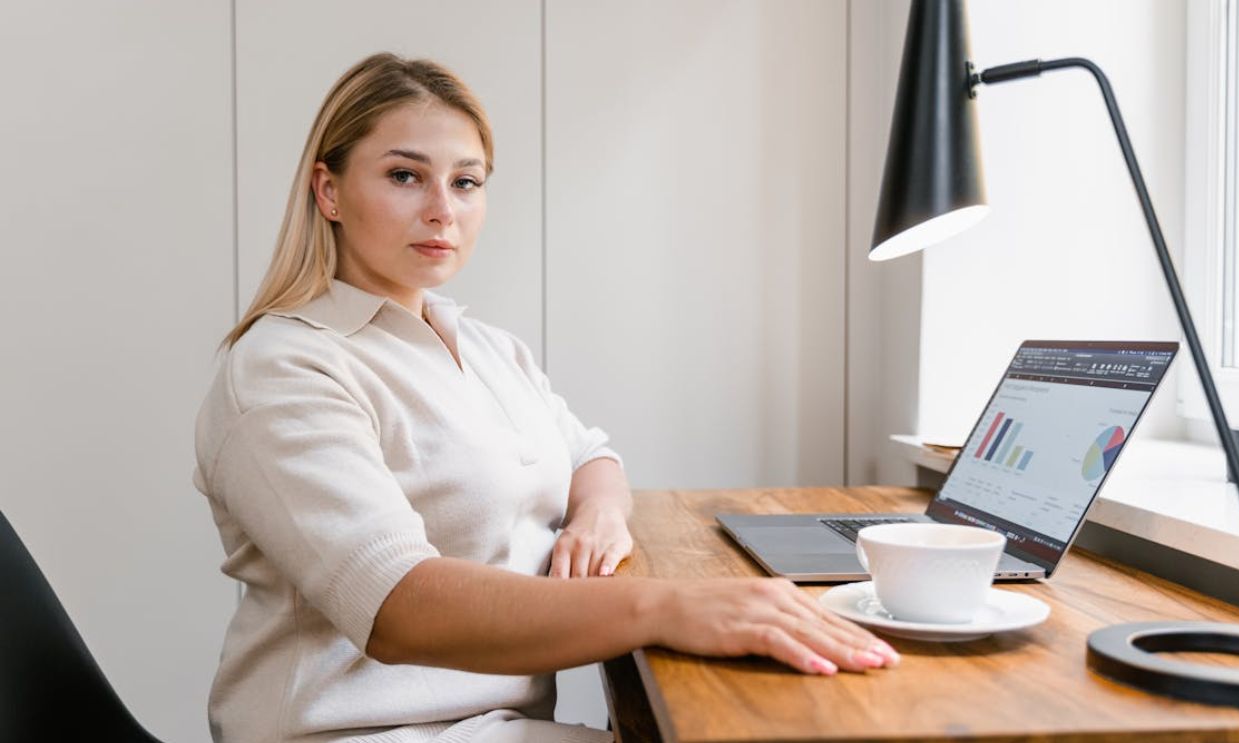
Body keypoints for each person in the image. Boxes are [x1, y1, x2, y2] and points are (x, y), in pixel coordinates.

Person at [193, 52, 899, 743]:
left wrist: (596, 514)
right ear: (329, 191)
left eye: (466, 182)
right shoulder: (285, 365)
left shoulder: (488, 348)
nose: (442, 210)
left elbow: (592, 456)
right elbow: (395, 605)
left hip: (496, 725)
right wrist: (665, 605)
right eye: (405, 176)